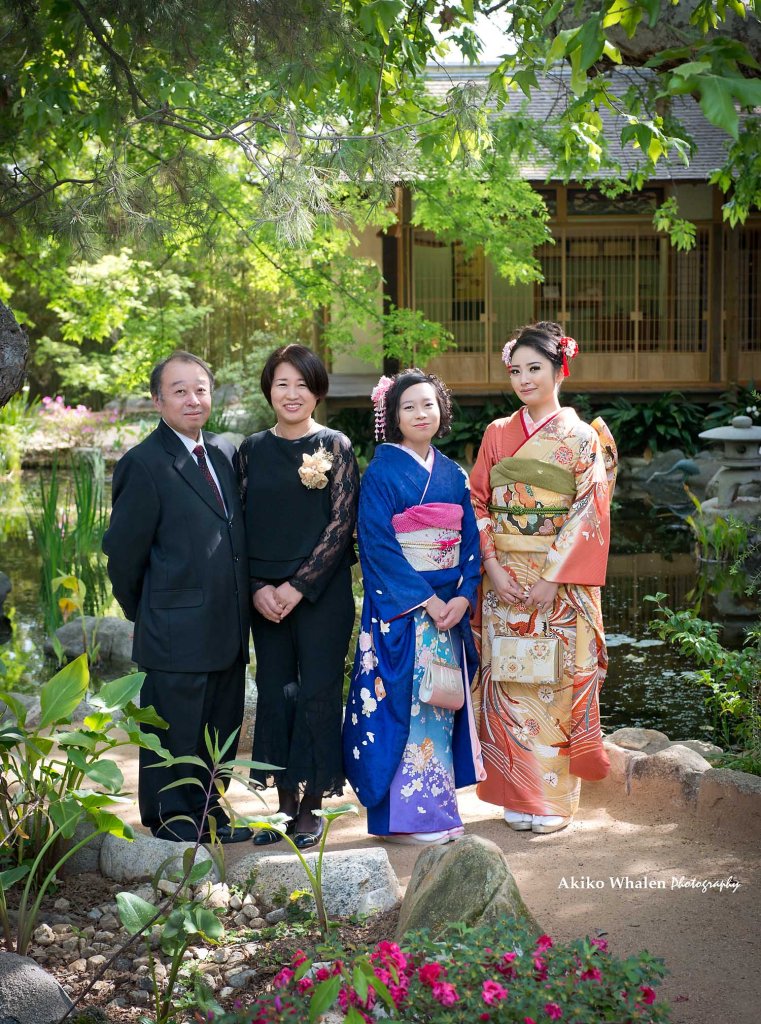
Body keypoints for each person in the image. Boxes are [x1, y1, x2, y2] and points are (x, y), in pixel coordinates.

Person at [470, 321, 617, 835]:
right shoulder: (497, 433)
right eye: (516, 371)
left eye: (535, 368)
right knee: (509, 681)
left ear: (559, 370)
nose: (524, 379)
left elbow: (589, 509)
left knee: (554, 682)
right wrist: (492, 566)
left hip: (559, 584)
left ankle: (552, 800)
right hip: (504, 580)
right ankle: (516, 793)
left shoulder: (581, 437)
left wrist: (553, 577)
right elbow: (478, 501)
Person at [103, 350, 251, 843]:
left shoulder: (224, 452)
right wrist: (148, 611)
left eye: (200, 389)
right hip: (173, 626)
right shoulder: (143, 463)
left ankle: (210, 811)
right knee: (176, 728)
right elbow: (123, 556)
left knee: (220, 724)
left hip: (227, 623)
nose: (193, 399)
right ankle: (172, 817)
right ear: (157, 400)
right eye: (180, 391)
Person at [343, 369, 484, 846]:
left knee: (439, 704)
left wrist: (462, 596)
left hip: (448, 612)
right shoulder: (381, 474)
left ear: (442, 410)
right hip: (404, 611)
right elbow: (377, 546)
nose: (421, 414)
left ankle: (436, 809)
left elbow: (469, 543)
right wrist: (428, 599)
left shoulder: (453, 474)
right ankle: (403, 819)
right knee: (404, 704)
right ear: (392, 417)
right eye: (409, 407)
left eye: (429, 404)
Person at [237, 344, 359, 849]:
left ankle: (311, 807)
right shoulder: (250, 449)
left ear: (317, 391)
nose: (292, 394)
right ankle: (284, 803)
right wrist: (256, 588)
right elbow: (237, 524)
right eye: (282, 383)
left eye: (302, 385)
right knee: (275, 691)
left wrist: (298, 585)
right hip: (264, 599)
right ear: (269, 389)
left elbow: (342, 525)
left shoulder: (336, 446)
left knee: (317, 693)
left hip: (321, 595)